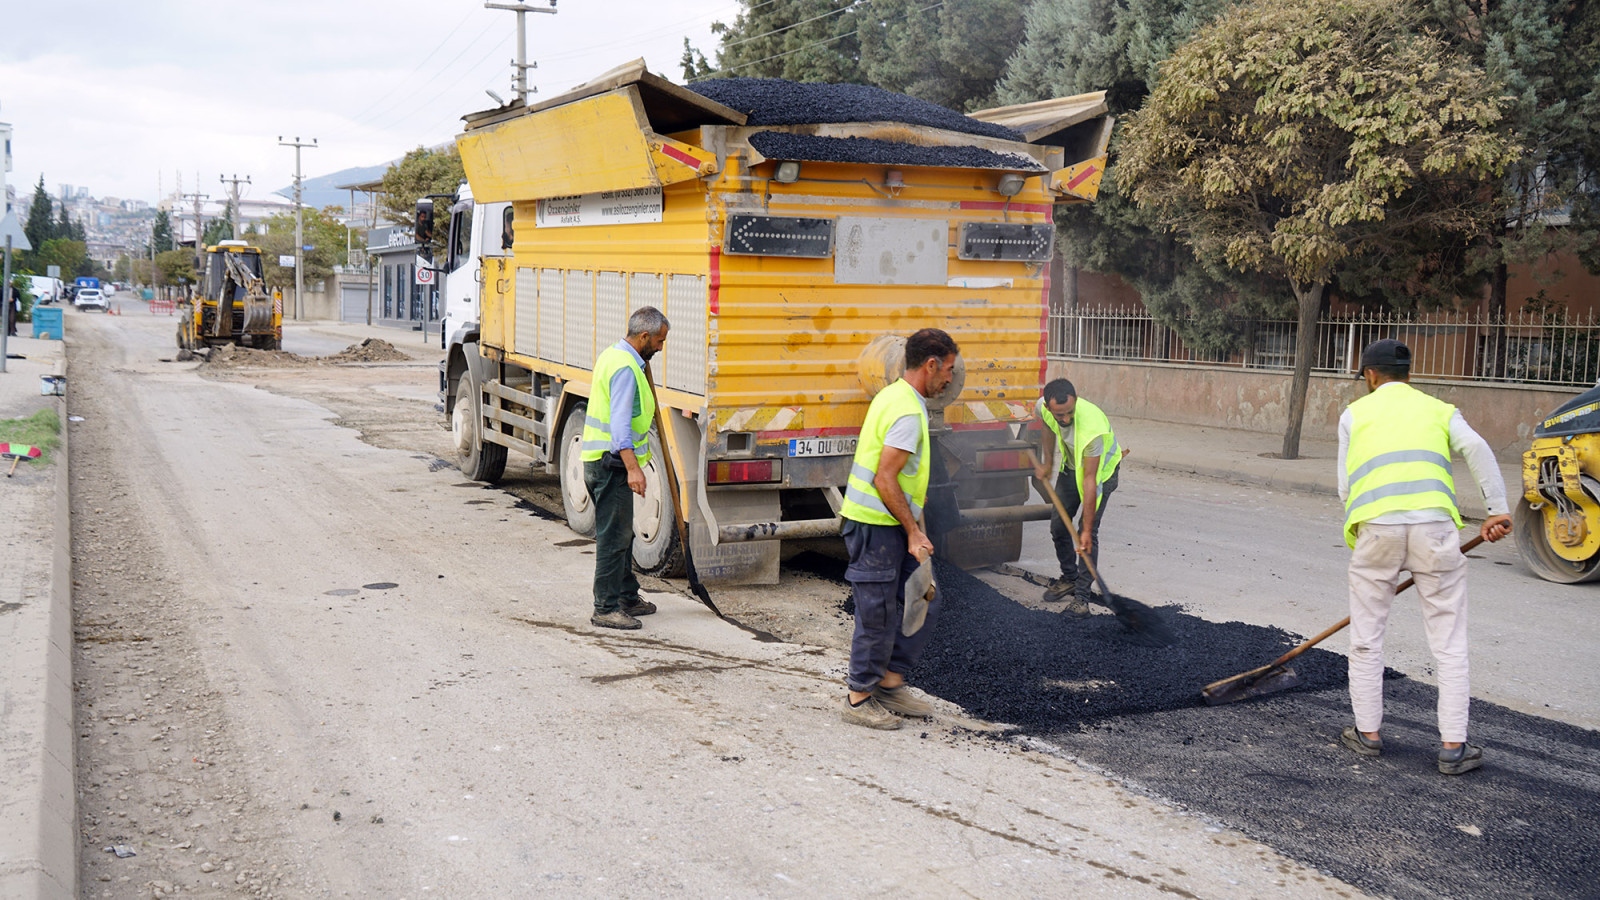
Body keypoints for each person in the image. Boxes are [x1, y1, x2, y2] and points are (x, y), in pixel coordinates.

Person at [1338, 339, 1512, 775]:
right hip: (1435, 530)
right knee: (1449, 641)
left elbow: (1346, 487)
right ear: (1409, 375)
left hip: (1376, 527)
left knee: (1366, 635)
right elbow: (1479, 450)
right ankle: (1453, 747)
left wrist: (1368, 531)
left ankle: (1368, 733)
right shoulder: (1439, 410)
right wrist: (1497, 511)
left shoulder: (1354, 415)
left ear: (1370, 376)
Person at [838, 327, 960, 730]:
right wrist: (912, 531)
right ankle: (859, 698)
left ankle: (889, 682)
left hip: (890, 522)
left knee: (926, 597)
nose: (949, 379)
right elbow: (884, 479)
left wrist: (914, 525)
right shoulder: (907, 410)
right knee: (877, 613)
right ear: (931, 364)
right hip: (874, 525)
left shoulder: (896, 395)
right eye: (948, 370)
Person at [581, 306, 670, 630]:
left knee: (621, 533)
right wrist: (634, 469)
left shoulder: (618, 356)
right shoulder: (625, 369)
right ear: (644, 336)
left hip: (602, 461)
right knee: (613, 538)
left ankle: (627, 596)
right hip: (611, 464)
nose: (661, 347)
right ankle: (605, 607)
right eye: (659, 341)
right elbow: (619, 430)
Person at [1031, 378, 1125, 616]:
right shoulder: (1043, 407)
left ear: (1076, 400)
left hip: (1101, 474)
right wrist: (1048, 463)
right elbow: (1047, 425)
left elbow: (1090, 481)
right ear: (1050, 407)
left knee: (1087, 534)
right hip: (1071, 468)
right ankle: (1070, 577)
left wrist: (1085, 529)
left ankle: (1081, 599)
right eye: (1060, 414)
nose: (1066, 419)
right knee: (1058, 526)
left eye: (1069, 413)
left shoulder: (1092, 428)